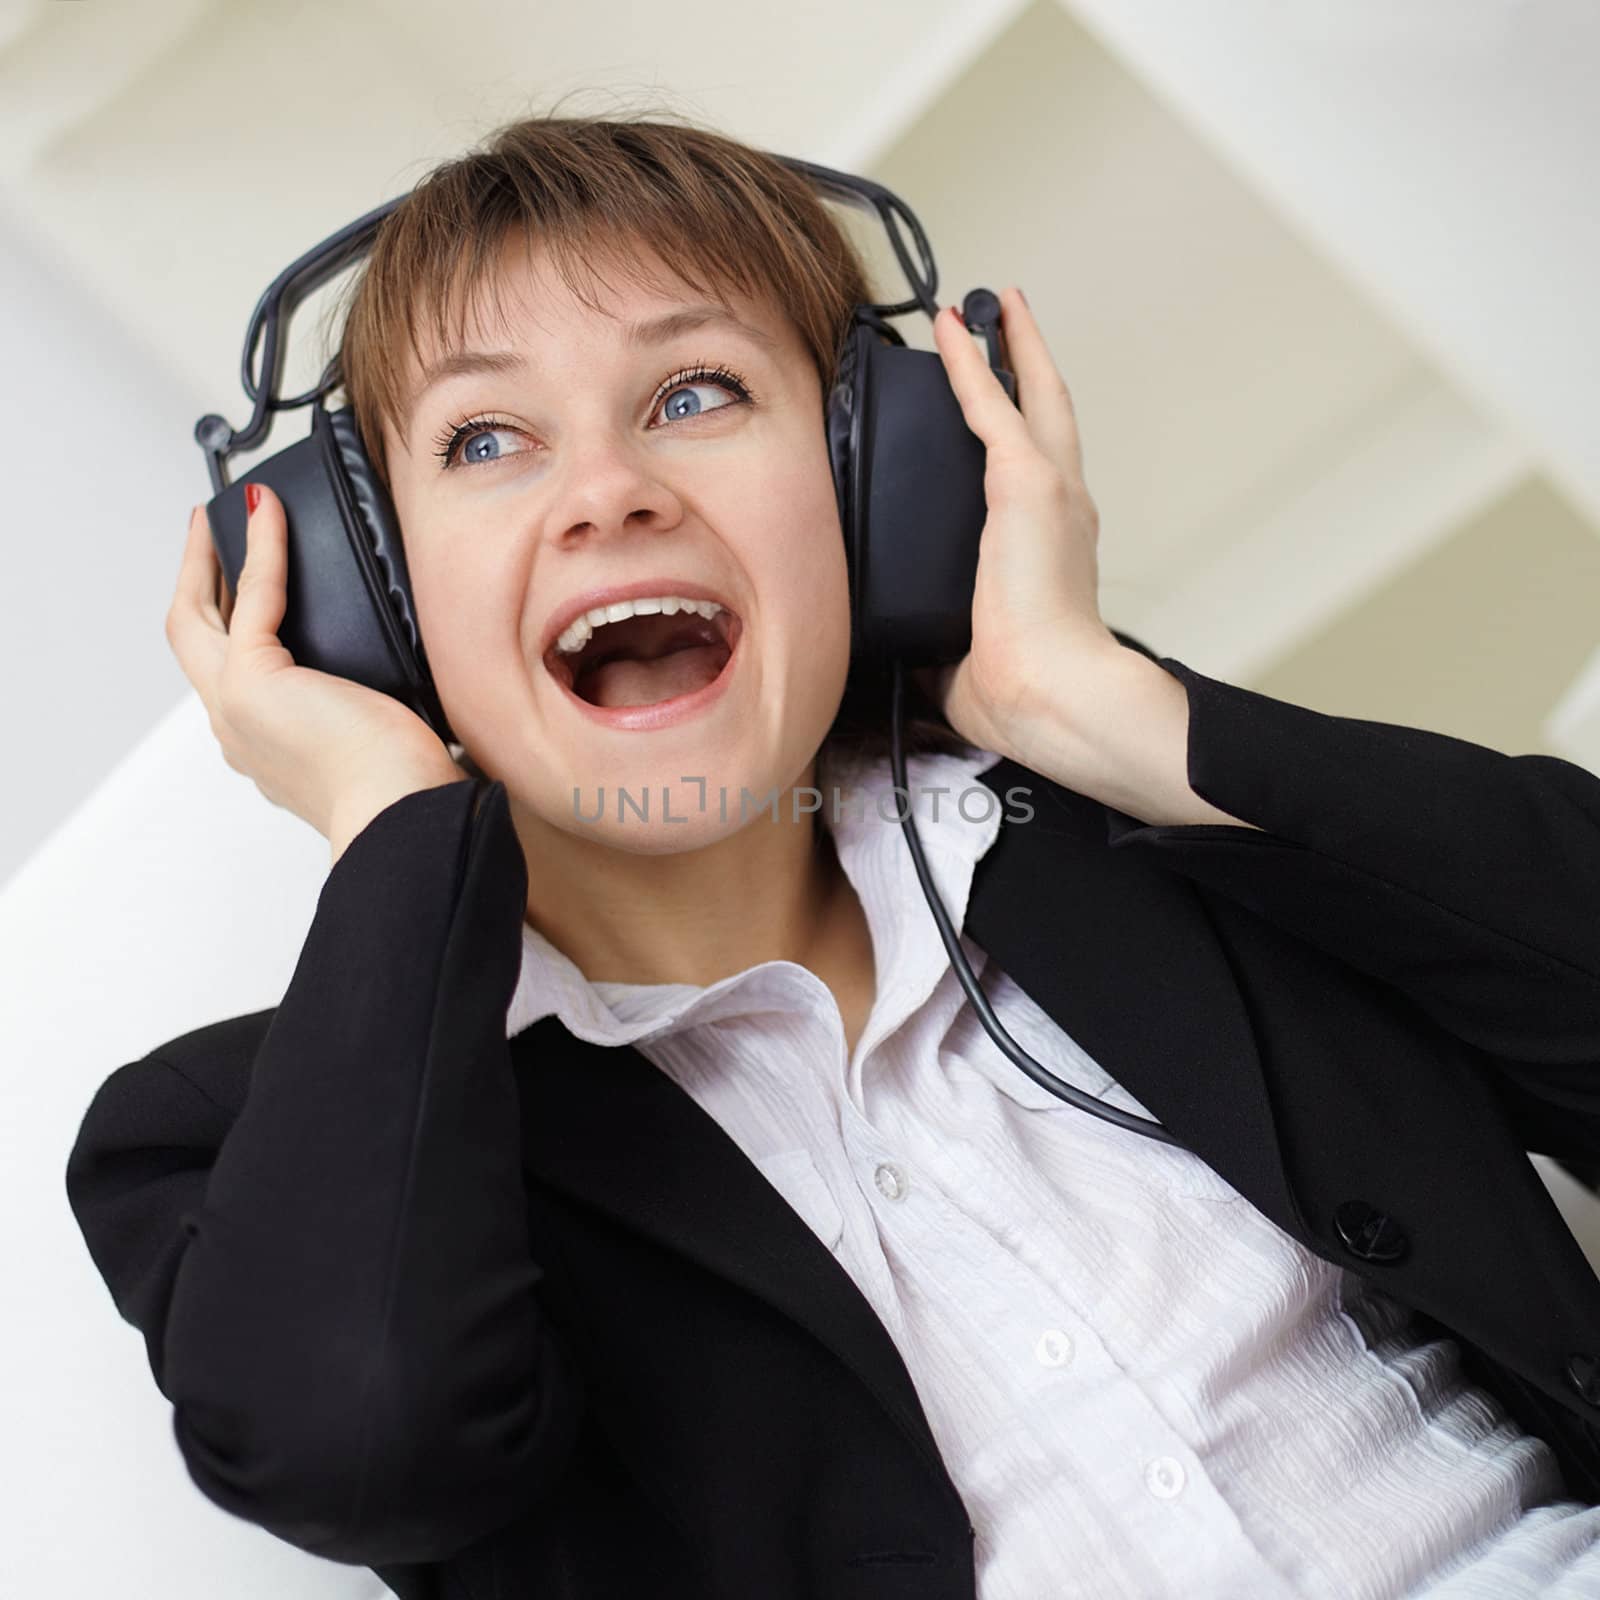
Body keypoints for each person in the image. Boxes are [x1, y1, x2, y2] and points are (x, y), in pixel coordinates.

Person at [64, 111, 1600, 1600]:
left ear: (875, 481)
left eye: (693, 396)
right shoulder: (213, 1142)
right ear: (371, 600)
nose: (611, 493)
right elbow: (359, 1445)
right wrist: (394, 829)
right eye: (486, 438)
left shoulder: (1151, 843)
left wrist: (1117, 719)